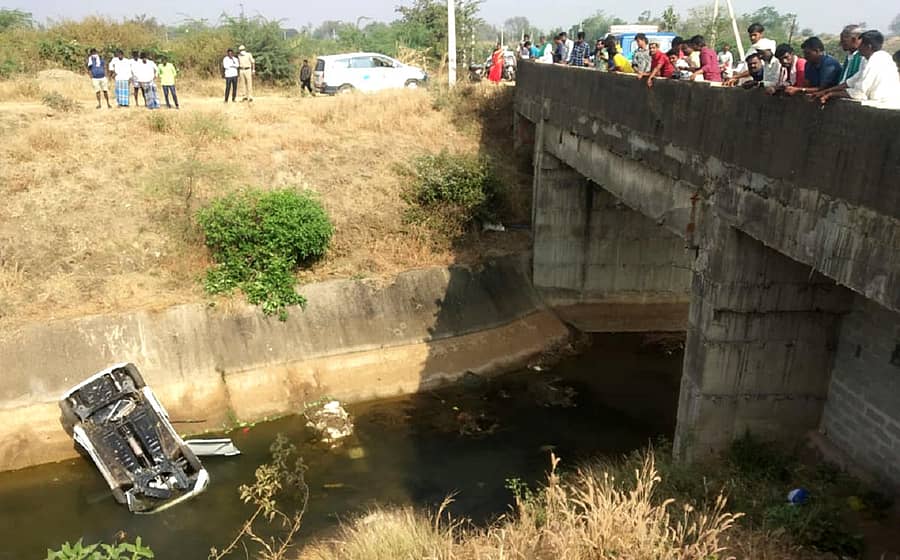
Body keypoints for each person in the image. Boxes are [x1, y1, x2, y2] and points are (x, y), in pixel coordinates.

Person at [813, 30, 900, 109]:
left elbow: (859, 93)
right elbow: (852, 81)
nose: (858, 47)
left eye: (861, 44)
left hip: (885, 104)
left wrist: (831, 94)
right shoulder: (867, 60)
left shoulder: (876, 60)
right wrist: (826, 91)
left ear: (869, 46)